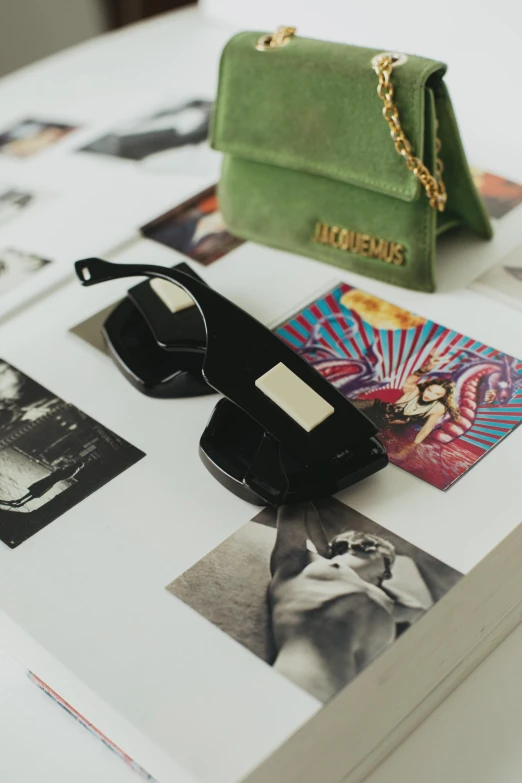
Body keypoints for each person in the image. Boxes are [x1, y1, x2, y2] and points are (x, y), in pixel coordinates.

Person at [268, 503, 425, 703]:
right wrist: (324, 549)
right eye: (387, 568)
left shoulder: (382, 599)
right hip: (304, 682)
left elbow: (417, 610)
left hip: (356, 698)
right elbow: (295, 508)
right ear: (367, 547)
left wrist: (372, 587)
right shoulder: (305, 565)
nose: (387, 576)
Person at [353, 352, 460, 446]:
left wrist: (408, 449)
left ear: (442, 396)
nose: (430, 395)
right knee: (344, 405)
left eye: (436, 394)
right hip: (374, 406)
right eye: (429, 390)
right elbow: (411, 379)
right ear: (426, 387)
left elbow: (425, 430)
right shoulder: (414, 391)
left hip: (381, 423)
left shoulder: (437, 408)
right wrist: (427, 367)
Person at [0, 461, 84, 509]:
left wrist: (59, 471)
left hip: (52, 480)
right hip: (52, 479)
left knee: (36, 491)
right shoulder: (73, 468)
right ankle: (20, 501)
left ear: (78, 464)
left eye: (77, 462)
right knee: (35, 491)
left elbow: (63, 475)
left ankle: (21, 501)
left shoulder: (73, 469)